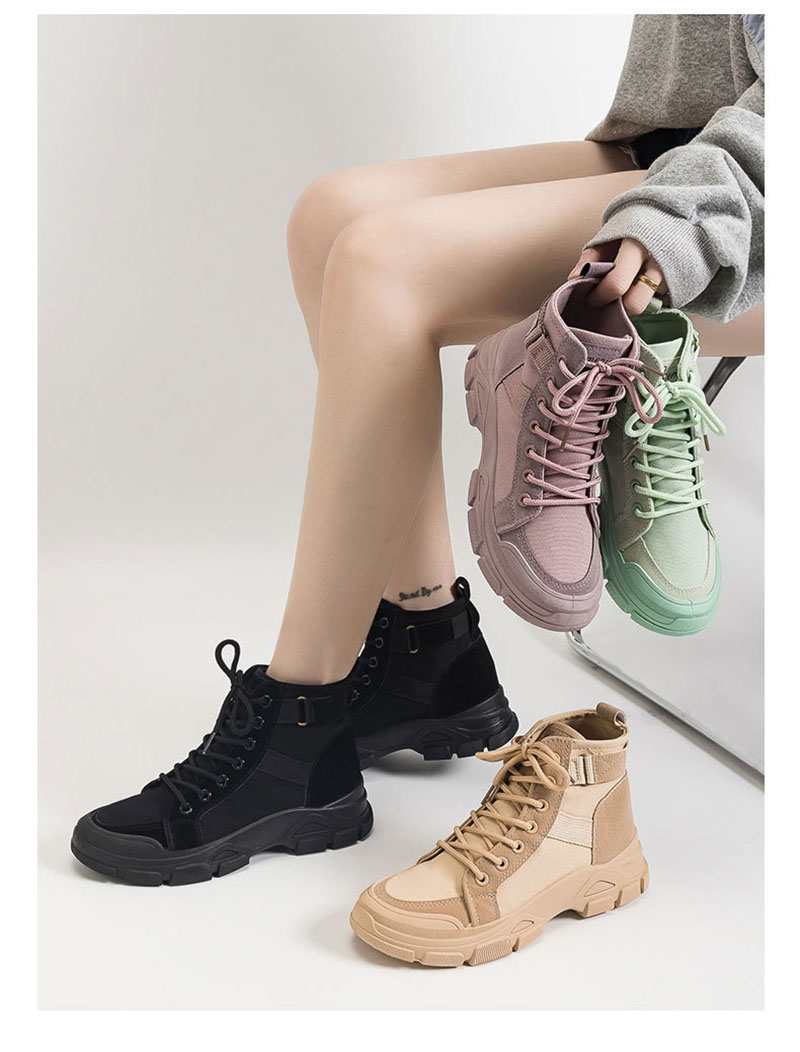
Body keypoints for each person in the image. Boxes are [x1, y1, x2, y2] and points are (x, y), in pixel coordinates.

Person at [71, 14, 764, 889]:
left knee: (383, 261)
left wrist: (677, 221)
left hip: (753, 199)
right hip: (699, 155)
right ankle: (426, 651)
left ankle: (298, 734)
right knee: (329, 216)